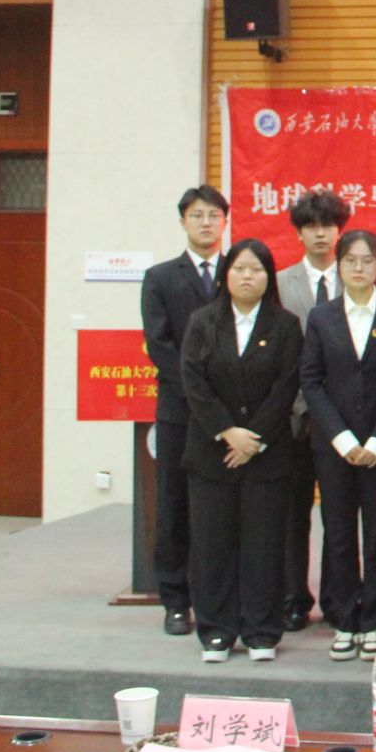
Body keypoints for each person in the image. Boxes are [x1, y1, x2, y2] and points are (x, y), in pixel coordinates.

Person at [180, 238, 304, 663]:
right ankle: (216, 631)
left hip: (267, 454)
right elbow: (194, 383)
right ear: (225, 275)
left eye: (256, 269)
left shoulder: (285, 325)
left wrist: (254, 438)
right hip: (211, 452)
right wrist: (227, 432)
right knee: (212, 543)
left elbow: (287, 385)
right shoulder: (202, 322)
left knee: (264, 544)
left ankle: (262, 631)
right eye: (239, 269)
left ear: (269, 277)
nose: (247, 276)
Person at [300, 230, 376, 662]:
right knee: (339, 534)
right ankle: (346, 619)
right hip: (335, 447)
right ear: (339, 266)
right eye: (350, 261)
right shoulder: (321, 317)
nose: (359, 268)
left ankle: (374, 622)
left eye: (368, 261)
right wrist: (343, 439)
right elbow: (312, 381)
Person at [140, 185, 229, 636]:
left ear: (225, 222)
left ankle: (222, 595)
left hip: (231, 414)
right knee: (174, 503)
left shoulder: (239, 270)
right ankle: (175, 600)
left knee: (221, 506)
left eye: (214, 215)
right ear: (182, 222)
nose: (206, 223)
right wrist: (200, 396)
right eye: (197, 215)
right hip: (180, 409)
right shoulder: (160, 278)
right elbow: (159, 345)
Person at [273, 190, 348, 635]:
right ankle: (293, 599)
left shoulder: (356, 278)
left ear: (339, 230)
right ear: (299, 233)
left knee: (338, 516)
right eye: (311, 226)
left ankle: (338, 599)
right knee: (291, 515)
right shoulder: (280, 283)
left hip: (341, 421)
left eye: (328, 225)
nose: (321, 234)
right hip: (292, 417)